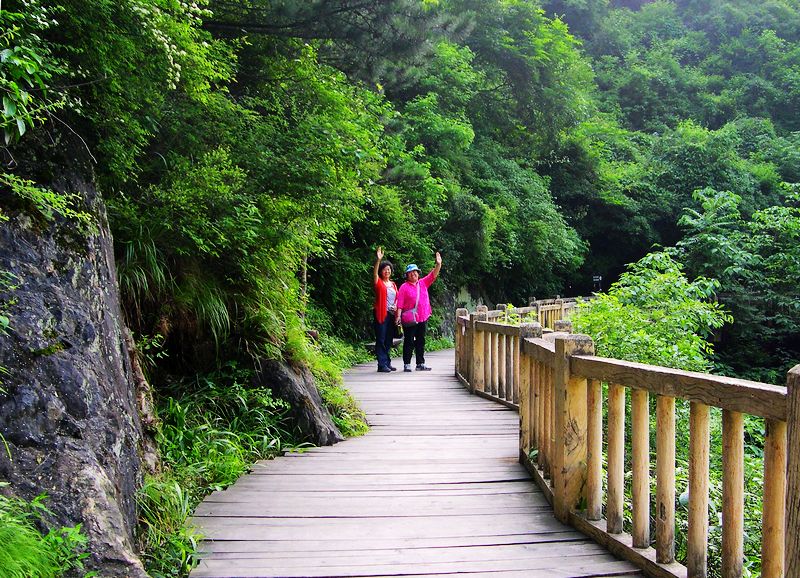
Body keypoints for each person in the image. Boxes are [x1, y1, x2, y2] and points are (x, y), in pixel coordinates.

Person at [395, 251, 442, 372]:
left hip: (423, 316)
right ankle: (407, 363)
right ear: (407, 275)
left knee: (421, 340)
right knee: (409, 340)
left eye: (415, 272)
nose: (413, 274)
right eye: (410, 273)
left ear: (418, 273)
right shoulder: (404, 287)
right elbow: (399, 304)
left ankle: (420, 363)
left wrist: (438, 264)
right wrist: (398, 317)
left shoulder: (423, 283)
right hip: (410, 319)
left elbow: (433, 275)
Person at [373, 247, 398, 373]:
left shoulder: (393, 284)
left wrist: (396, 308)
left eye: (389, 269)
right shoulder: (379, 283)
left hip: (391, 314)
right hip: (381, 314)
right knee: (381, 338)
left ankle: (386, 362)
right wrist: (378, 261)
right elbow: (375, 275)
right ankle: (381, 364)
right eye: (385, 269)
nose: (387, 271)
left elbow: (398, 298)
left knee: (389, 339)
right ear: (381, 271)